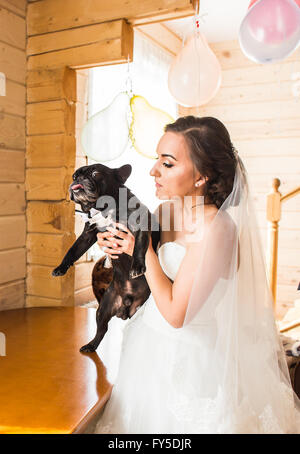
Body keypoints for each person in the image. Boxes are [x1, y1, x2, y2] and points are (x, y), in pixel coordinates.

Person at [90, 116, 300, 434]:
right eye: (156, 160)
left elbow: (177, 314)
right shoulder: (165, 212)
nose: (153, 171)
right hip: (147, 350)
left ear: (201, 176)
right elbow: (145, 278)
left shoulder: (217, 229)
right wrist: (115, 247)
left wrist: (142, 247)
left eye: (168, 163)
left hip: (192, 364)